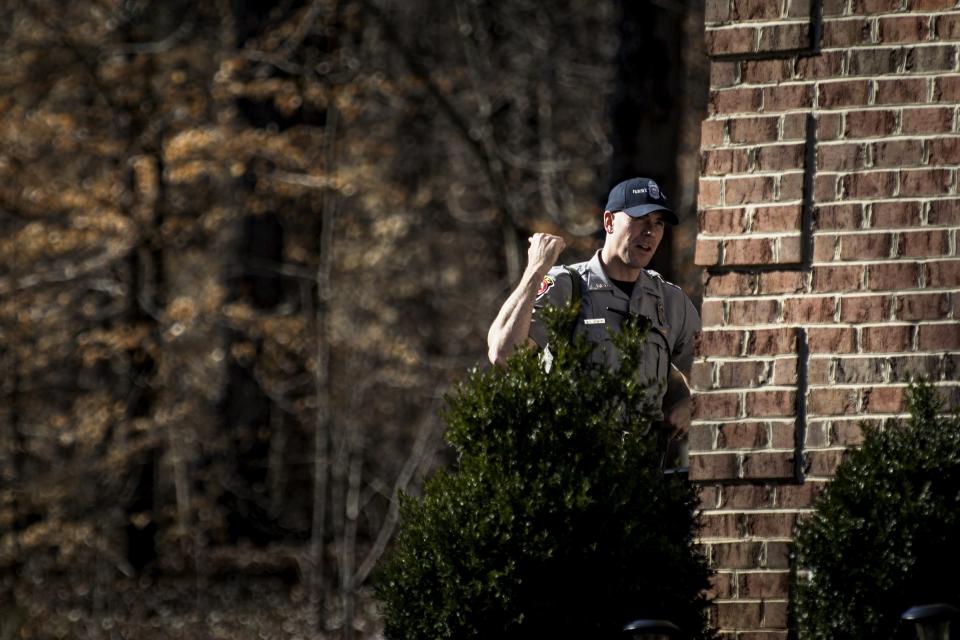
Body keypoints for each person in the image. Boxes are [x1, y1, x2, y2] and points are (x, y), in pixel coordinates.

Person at [487, 177, 700, 462]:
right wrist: (536, 270)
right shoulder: (567, 286)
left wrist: (691, 405)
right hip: (574, 475)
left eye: (659, 223)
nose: (650, 232)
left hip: (644, 479)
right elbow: (504, 353)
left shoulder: (670, 301)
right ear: (609, 222)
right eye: (640, 219)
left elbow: (716, 378)